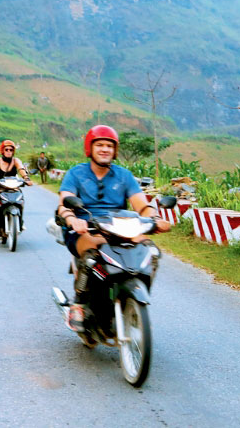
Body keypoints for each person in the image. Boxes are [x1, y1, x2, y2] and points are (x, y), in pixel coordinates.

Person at [56, 125, 170, 327]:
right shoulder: (76, 174)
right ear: (89, 149)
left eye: (109, 146)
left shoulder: (124, 176)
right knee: (95, 252)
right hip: (84, 229)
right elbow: (65, 202)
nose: (104, 149)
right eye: (99, 145)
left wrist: (155, 218)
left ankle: (133, 295)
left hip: (118, 228)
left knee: (150, 251)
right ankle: (79, 305)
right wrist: (72, 219)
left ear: (114, 150)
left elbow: (141, 206)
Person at [0, 140, 32, 234]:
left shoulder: (16, 161)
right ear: (2, 151)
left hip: (13, 187)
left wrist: (26, 178)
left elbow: (21, 169)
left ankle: (20, 221)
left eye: (11, 150)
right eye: (6, 149)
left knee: (20, 199)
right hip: (0, 187)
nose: (9, 151)